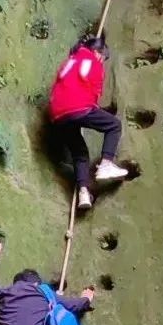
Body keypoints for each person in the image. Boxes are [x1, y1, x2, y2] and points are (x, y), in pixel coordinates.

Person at [48, 35, 129, 211]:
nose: (103, 61)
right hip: (79, 106)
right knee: (114, 125)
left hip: (58, 114)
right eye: (103, 57)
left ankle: (83, 192)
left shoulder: (69, 62)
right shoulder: (93, 61)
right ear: (97, 52)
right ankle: (106, 164)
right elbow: (94, 90)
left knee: (79, 152)